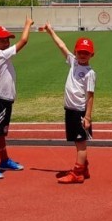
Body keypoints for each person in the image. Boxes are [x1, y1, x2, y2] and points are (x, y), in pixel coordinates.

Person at [0, 16, 33, 179]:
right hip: (0, 100)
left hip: (4, 99)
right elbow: (23, 41)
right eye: (2, 40)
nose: (6, 43)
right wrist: (27, 24)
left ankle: (4, 160)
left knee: (0, 132)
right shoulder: (2, 55)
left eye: (7, 40)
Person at [42, 22, 96, 184]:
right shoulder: (73, 62)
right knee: (76, 140)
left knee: (81, 143)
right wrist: (51, 31)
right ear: (75, 52)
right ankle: (84, 167)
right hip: (70, 110)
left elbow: (91, 95)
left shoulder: (90, 73)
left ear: (92, 54)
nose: (83, 55)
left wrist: (87, 116)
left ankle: (78, 173)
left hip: (80, 111)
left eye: (86, 53)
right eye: (80, 52)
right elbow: (61, 45)